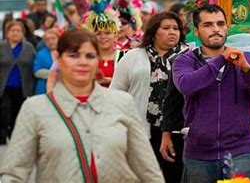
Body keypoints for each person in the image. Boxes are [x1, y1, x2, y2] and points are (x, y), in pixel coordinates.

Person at [0, 28, 165, 182]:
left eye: (90, 56)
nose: (83, 62)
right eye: (73, 55)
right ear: (58, 59)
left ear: (98, 59)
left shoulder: (122, 103)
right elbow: (14, 173)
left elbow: (148, 169)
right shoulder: (35, 109)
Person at [172, 4, 250, 182]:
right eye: (208, 25)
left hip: (240, 150)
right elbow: (187, 85)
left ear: (227, 27)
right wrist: (221, 60)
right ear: (196, 30)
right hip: (198, 153)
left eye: (220, 24)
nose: (216, 29)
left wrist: (246, 70)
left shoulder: (246, 59)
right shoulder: (184, 61)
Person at [110, 11, 188, 183]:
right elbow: (115, 94)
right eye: (166, 28)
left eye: (176, 28)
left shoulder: (189, 57)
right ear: (153, 32)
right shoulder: (132, 57)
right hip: (142, 130)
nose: (172, 32)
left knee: (174, 176)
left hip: (178, 130)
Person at [0, 20, 36, 145]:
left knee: (17, 112)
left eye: (18, 31)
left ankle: (14, 136)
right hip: (4, 86)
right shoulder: (2, 46)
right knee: (4, 111)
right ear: (7, 33)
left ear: (23, 33)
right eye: (12, 30)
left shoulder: (28, 47)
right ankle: (2, 135)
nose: (15, 33)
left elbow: (33, 65)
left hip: (21, 86)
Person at [33, 28, 59, 94]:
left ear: (58, 39)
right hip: (43, 88)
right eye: (47, 39)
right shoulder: (41, 54)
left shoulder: (65, 53)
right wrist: (54, 74)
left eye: (53, 38)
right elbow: (36, 71)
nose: (50, 41)